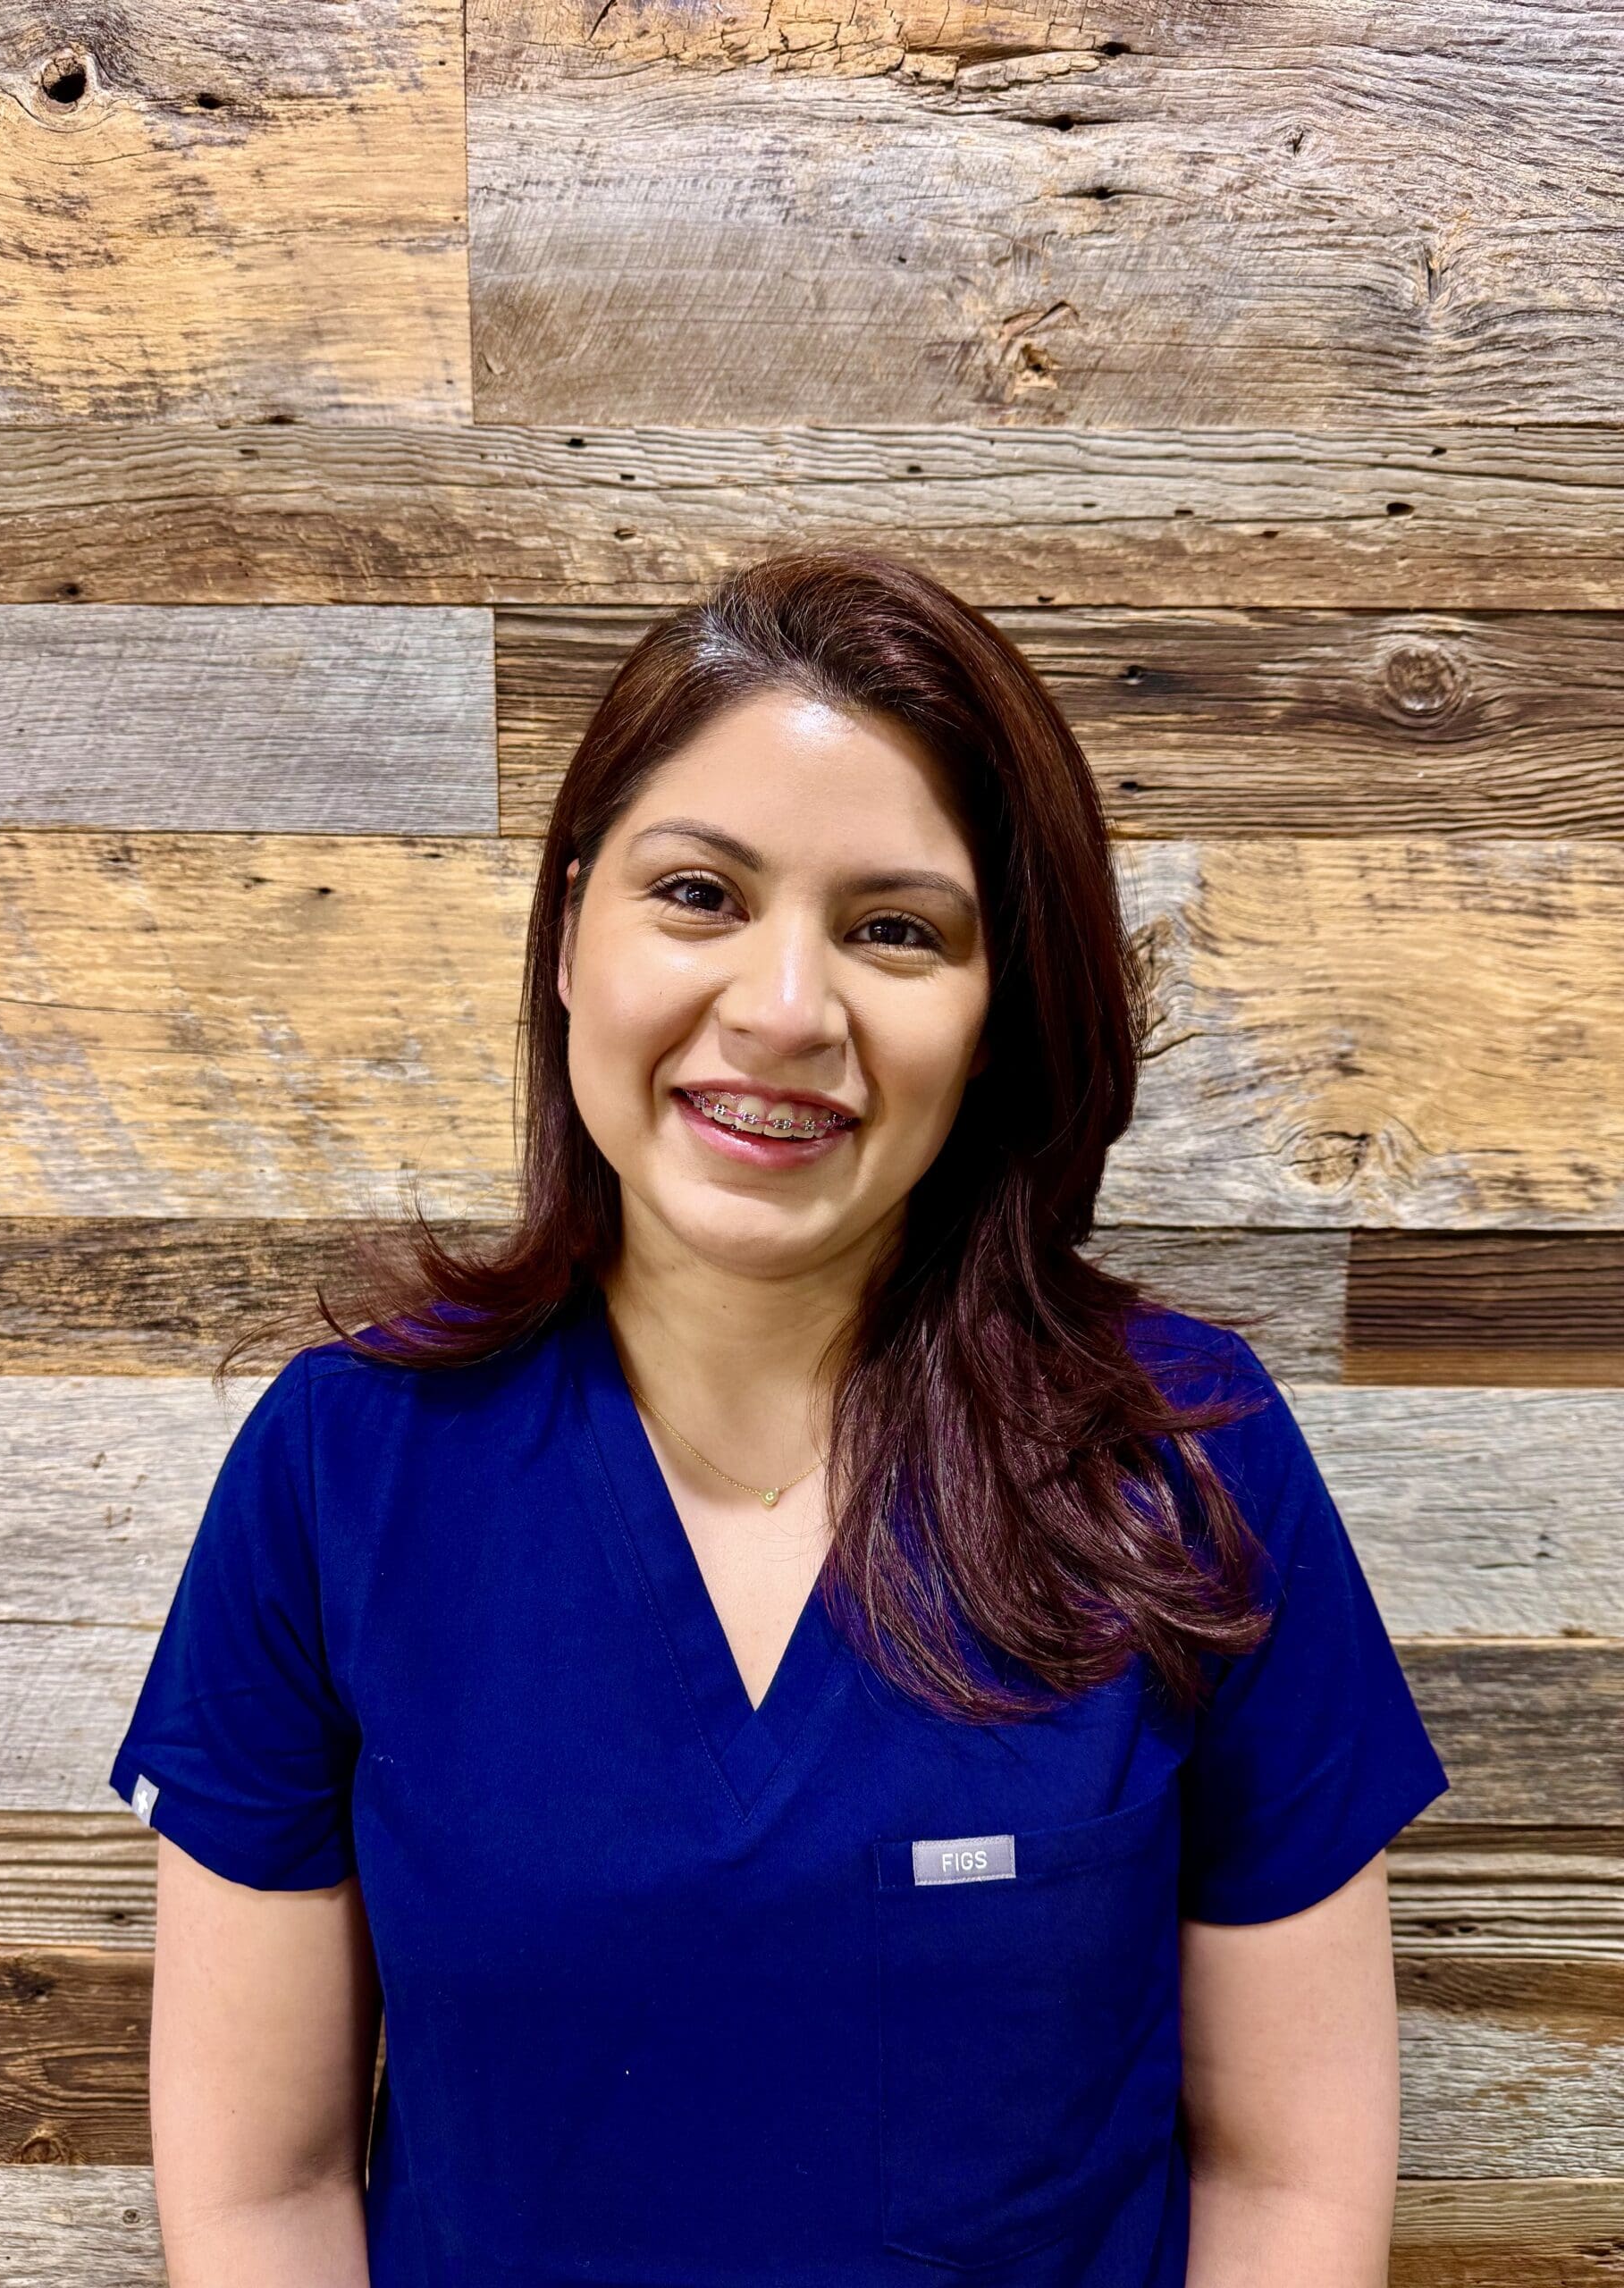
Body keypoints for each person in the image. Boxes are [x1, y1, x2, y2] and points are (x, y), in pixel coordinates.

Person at [110, 546, 1449, 2288]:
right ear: (572, 930)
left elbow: (1290, 2183)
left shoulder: (1186, 1462)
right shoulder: (340, 1470)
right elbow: (262, 2192)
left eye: (896, 928)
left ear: (995, 1014)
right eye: (699, 894)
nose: (785, 1009)